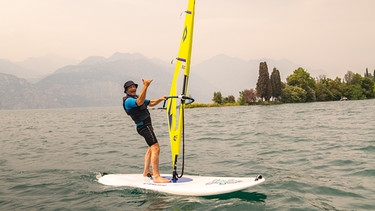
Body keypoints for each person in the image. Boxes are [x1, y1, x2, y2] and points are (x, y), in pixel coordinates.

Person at [122, 79, 170, 183]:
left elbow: (151, 103)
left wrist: (161, 99)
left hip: (147, 126)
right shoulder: (128, 101)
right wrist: (146, 86)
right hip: (144, 126)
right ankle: (156, 177)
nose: (133, 88)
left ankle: (146, 171)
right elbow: (139, 102)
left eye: (134, 86)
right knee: (156, 148)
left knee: (150, 148)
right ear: (126, 90)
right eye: (130, 87)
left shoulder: (137, 97)